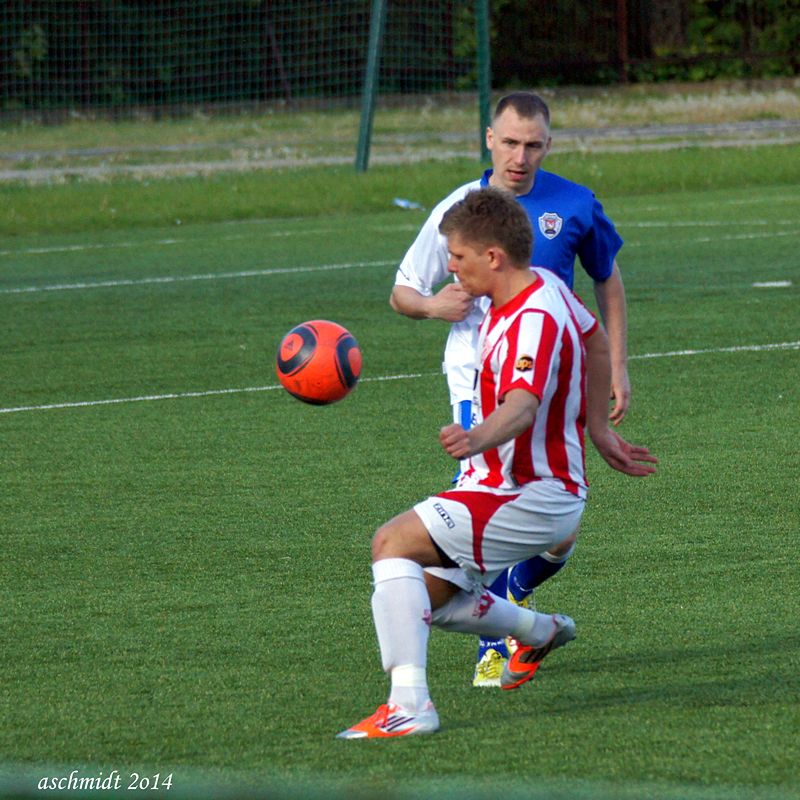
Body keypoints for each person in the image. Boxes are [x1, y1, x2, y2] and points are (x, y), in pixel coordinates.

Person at [338, 188, 656, 739]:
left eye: (457, 258)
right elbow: (596, 340)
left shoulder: (529, 318)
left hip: (527, 493)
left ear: (493, 258)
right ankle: (539, 630)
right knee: (427, 600)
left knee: (390, 543)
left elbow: (522, 404)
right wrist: (597, 428)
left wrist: (475, 436)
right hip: (518, 486)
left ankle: (410, 705)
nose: (451, 270)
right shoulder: (547, 286)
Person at [390, 91, 630, 686]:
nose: (520, 156)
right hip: (481, 378)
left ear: (548, 146)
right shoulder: (460, 209)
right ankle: (491, 642)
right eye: (511, 142)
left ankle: (514, 598)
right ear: (488, 139)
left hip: (558, 375)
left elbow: (607, 281)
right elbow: (403, 290)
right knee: (491, 500)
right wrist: (430, 306)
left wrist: (618, 367)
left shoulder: (573, 204)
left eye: (533, 145)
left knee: (563, 523)